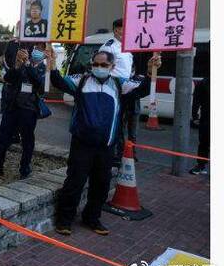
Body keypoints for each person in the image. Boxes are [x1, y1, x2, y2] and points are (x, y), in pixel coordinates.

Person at [48, 47, 160, 236]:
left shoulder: (119, 84)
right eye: (95, 64)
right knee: (74, 183)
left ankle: (92, 218)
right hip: (81, 144)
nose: (98, 67)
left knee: (101, 185)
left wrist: (150, 72)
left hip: (106, 146)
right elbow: (59, 81)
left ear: (112, 66)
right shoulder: (81, 81)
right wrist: (51, 65)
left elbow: (142, 90)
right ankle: (64, 220)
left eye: (103, 64)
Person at [0, 42, 46, 180]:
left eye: (39, 48)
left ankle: (24, 168)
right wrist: (17, 66)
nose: (37, 50)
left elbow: (40, 84)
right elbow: (8, 78)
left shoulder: (42, 67)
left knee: (27, 141)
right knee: (2, 139)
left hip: (29, 108)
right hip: (12, 107)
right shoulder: (17, 64)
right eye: (35, 47)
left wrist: (27, 64)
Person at [99, 18, 135, 166]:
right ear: (115, 30)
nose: (124, 31)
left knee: (124, 122)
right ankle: (113, 154)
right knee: (115, 121)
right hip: (113, 87)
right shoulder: (110, 47)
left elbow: (128, 68)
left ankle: (123, 153)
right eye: (121, 28)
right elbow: (101, 66)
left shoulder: (128, 46)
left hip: (126, 88)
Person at [189, 76, 209, 175]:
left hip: (206, 117)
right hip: (206, 117)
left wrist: (195, 116)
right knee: (204, 142)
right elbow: (196, 100)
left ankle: (201, 165)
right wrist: (195, 116)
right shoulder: (204, 83)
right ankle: (201, 165)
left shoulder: (203, 82)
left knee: (204, 142)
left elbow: (196, 101)